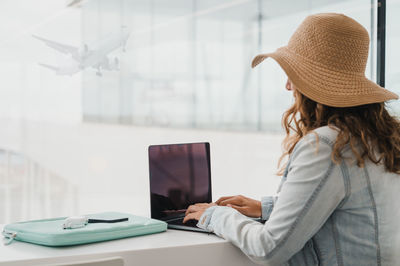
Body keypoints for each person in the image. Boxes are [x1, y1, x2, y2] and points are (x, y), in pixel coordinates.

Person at [183, 13, 400, 265]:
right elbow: (347, 212)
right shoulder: (379, 139)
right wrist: (266, 208)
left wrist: (214, 215)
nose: (288, 85)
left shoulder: (328, 145)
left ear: (311, 83)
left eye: (293, 74)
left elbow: (268, 249)